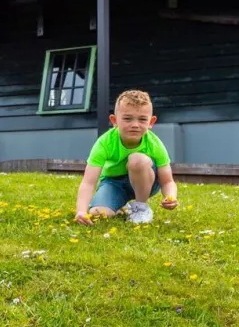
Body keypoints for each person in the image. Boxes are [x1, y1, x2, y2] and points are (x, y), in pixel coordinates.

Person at [74, 89, 179, 225]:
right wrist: (81, 211)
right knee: (98, 214)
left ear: (151, 122)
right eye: (127, 118)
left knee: (137, 160)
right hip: (114, 183)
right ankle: (121, 207)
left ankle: (141, 208)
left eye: (142, 119)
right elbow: (89, 182)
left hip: (146, 181)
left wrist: (171, 197)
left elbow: (167, 181)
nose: (135, 125)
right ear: (114, 120)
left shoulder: (154, 143)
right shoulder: (105, 142)